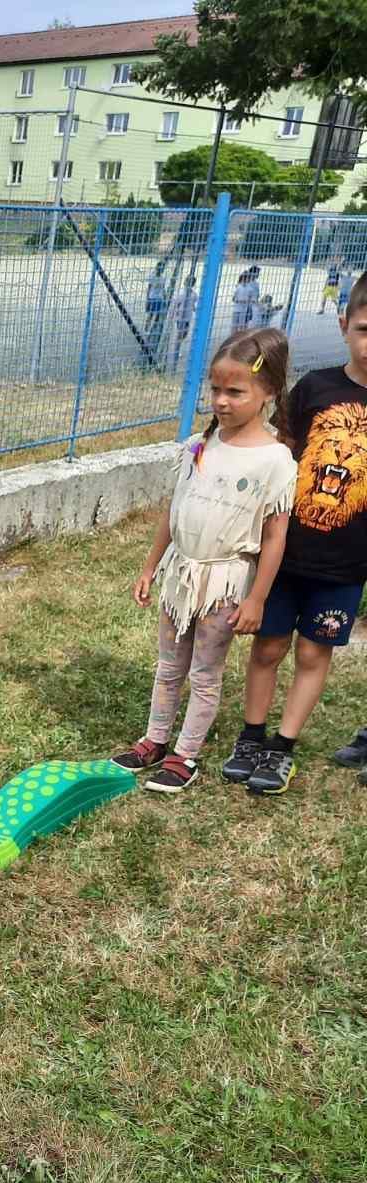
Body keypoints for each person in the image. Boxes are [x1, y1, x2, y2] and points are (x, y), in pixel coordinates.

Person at [113, 327, 296, 793]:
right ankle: (154, 740)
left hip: (223, 585)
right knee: (168, 666)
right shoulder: (198, 445)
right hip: (180, 576)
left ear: (268, 392)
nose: (221, 401)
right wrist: (150, 567)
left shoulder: (275, 460)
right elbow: (173, 513)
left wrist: (257, 598)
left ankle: (185, 754)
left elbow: (275, 537)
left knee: (204, 672)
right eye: (216, 390)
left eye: (235, 392)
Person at [224, 271, 367, 793]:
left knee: (312, 653)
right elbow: (278, 453)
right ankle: (251, 736)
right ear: (344, 325)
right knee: (267, 647)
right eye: (365, 329)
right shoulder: (314, 388)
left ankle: (282, 747)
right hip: (286, 552)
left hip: (347, 565)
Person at [168, 274, 198, 369]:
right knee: (180, 333)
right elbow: (175, 304)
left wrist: (194, 309)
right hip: (180, 317)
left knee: (185, 334)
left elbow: (192, 303)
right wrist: (172, 315)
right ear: (185, 282)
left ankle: (178, 345)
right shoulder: (181, 294)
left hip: (188, 317)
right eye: (188, 282)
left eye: (191, 283)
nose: (189, 284)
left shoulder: (194, 294)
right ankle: (176, 350)